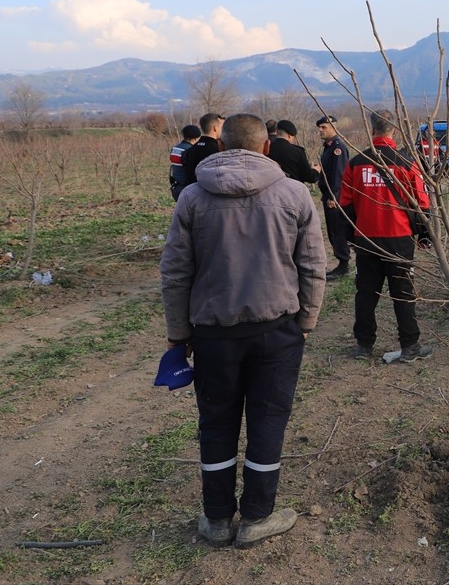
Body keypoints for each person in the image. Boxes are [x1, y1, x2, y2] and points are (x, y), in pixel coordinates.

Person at [160, 113, 326, 548]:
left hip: (213, 334)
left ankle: (216, 520)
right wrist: (306, 321)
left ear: (219, 147)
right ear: (266, 147)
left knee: (215, 423)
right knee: (268, 421)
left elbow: (176, 271)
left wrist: (179, 334)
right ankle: (256, 518)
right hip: (278, 330)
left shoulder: (192, 198)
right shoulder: (295, 194)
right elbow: (313, 266)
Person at [338, 109, 433, 362]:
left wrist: (353, 237)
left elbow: (344, 205)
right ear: (395, 132)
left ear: (372, 130)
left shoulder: (356, 163)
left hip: (366, 239)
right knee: (403, 293)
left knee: (366, 293)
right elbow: (423, 205)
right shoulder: (407, 163)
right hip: (399, 239)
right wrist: (424, 237)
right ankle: (410, 346)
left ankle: (363, 346)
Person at [316, 115, 351, 280]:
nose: (320, 130)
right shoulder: (328, 147)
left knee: (338, 231)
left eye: (324, 127)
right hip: (328, 195)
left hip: (334, 197)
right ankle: (341, 262)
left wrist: (333, 196)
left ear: (333, 128)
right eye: (320, 127)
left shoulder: (337, 147)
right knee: (332, 230)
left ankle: (344, 265)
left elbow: (339, 174)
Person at [182, 112, 225, 187]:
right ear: (215, 128)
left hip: (191, 192)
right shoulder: (218, 151)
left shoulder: (190, 150)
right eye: (221, 127)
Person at [169, 124, 201, 201]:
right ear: (195, 138)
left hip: (176, 187)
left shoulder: (175, 148)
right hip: (188, 189)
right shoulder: (191, 150)